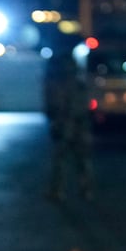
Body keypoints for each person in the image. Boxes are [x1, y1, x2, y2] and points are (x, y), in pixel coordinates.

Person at [44, 63, 94, 201]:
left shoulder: (65, 86)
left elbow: (58, 108)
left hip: (70, 126)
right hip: (75, 126)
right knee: (80, 161)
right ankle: (84, 190)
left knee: (66, 160)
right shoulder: (79, 85)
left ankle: (59, 190)